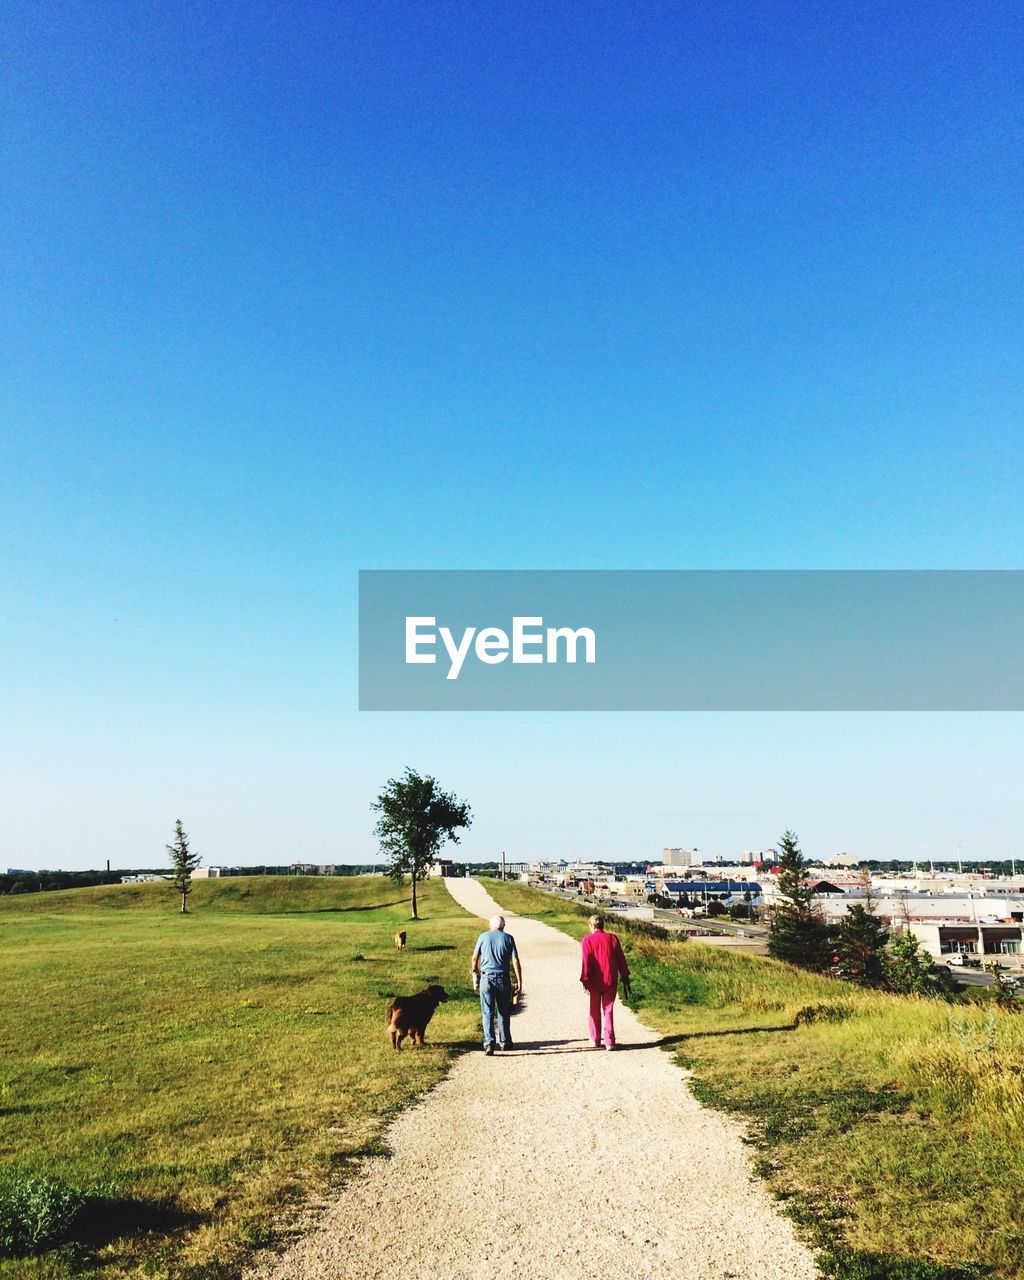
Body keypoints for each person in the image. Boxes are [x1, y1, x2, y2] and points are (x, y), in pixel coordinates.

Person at [471, 914, 522, 1055]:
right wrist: (519, 981)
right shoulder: (508, 938)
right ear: (503, 926)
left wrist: (475, 972)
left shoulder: (483, 936)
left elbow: (475, 958)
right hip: (503, 979)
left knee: (487, 1011)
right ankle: (505, 1041)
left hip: (486, 978)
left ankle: (489, 1043)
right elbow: (515, 960)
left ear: (491, 925)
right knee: (504, 1011)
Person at [580, 914, 630, 1050]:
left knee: (594, 1009)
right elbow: (621, 959)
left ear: (592, 926)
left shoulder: (587, 940)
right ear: (602, 925)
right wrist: (625, 975)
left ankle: (595, 1038)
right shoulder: (612, 939)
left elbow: (586, 962)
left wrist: (584, 979)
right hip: (610, 979)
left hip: (594, 980)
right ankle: (609, 1041)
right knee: (608, 1010)